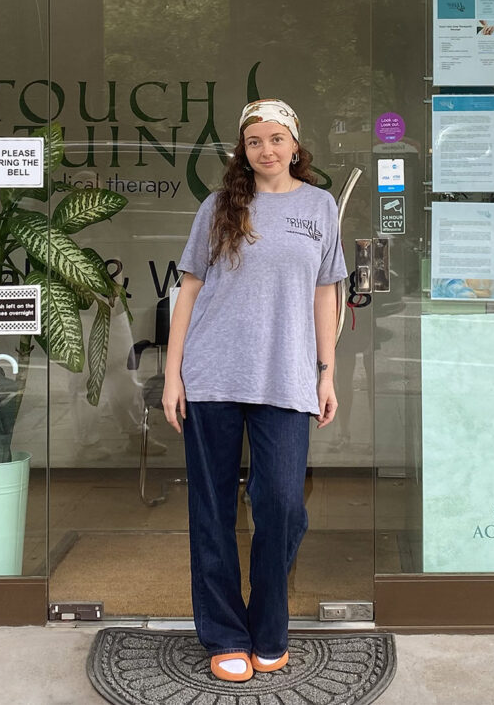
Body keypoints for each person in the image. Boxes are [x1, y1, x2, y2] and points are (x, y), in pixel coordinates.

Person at [162, 99, 346, 682]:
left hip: (287, 377)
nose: (266, 150)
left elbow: (325, 293)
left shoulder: (319, 207)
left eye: (275, 139)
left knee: (282, 506)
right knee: (212, 508)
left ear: (296, 144)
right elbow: (188, 291)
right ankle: (224, 634)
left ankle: (269, 625)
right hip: (213, 373)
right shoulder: (217, 207)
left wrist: (327, 370)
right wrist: (173, 375)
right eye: (254, 141)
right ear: (243, 151)